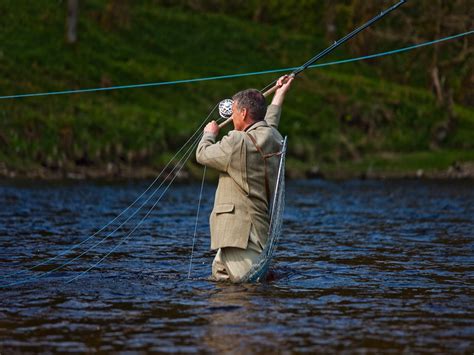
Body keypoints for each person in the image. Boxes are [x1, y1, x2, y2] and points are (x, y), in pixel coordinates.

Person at [196, 75, 294, 282]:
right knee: (224, 287)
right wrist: (279, 94)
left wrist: (209, 134)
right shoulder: (272, 138)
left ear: (243, 112)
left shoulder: (236, 142)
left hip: (240, 236)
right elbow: (270, 123)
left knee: (246, 290)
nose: (231, 119)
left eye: (233, 113)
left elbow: (202, 154)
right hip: (250, 233)